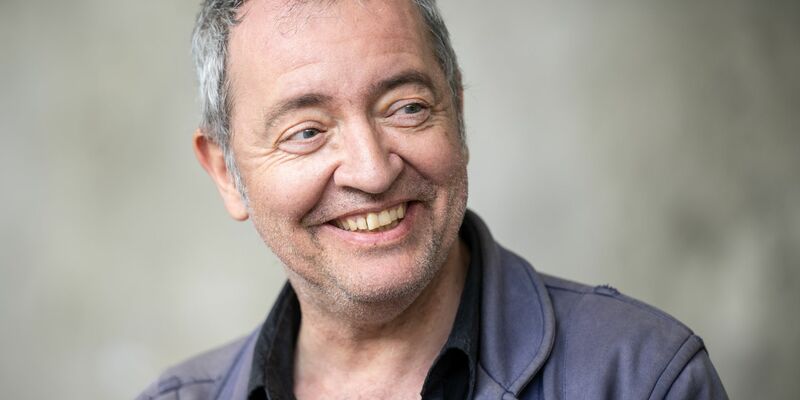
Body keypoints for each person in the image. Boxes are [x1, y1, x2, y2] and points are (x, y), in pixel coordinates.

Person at [138, 0, 728, 399]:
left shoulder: (641, 379)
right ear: (226, 172)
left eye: (407, 108)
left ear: (457, 114)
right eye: (307, 131)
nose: (372, 171)